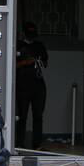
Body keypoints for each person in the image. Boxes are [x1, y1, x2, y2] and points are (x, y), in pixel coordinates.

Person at [15, 21, 49, 151]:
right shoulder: (18, 45)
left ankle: (37, 145)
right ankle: (19, 145)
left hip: (38, 85)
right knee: (22, 117)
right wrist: (26, 62)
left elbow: (45, 63)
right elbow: (12, 65)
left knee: (38, 116)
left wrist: (39, 62)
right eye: (29, 33)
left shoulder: (39, 45)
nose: (31, 36)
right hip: (23, 85)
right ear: (23, 33)